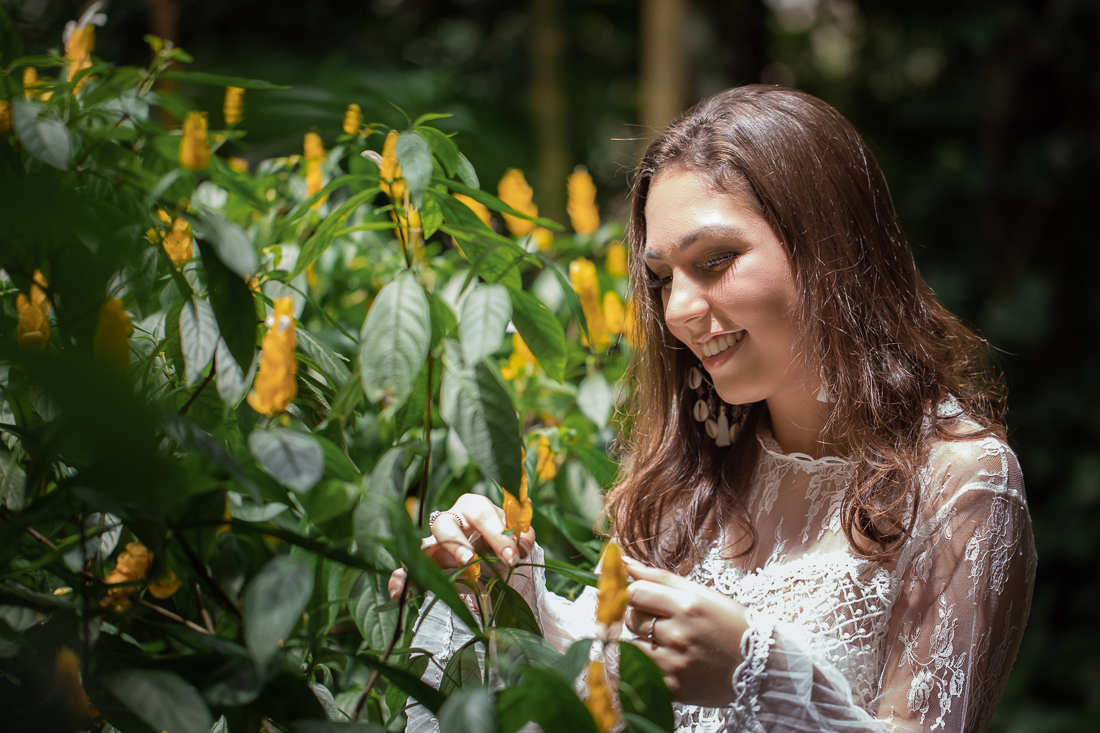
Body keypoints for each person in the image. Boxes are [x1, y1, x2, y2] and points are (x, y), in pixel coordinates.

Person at [389, 85, 1036, 732]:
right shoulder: (692, 464)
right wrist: (506, 593)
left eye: (716, 260)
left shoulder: (962, 478)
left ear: (830, 247)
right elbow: (605, 687)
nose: (677, 311)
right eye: (664, 277)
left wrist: (760, 673)